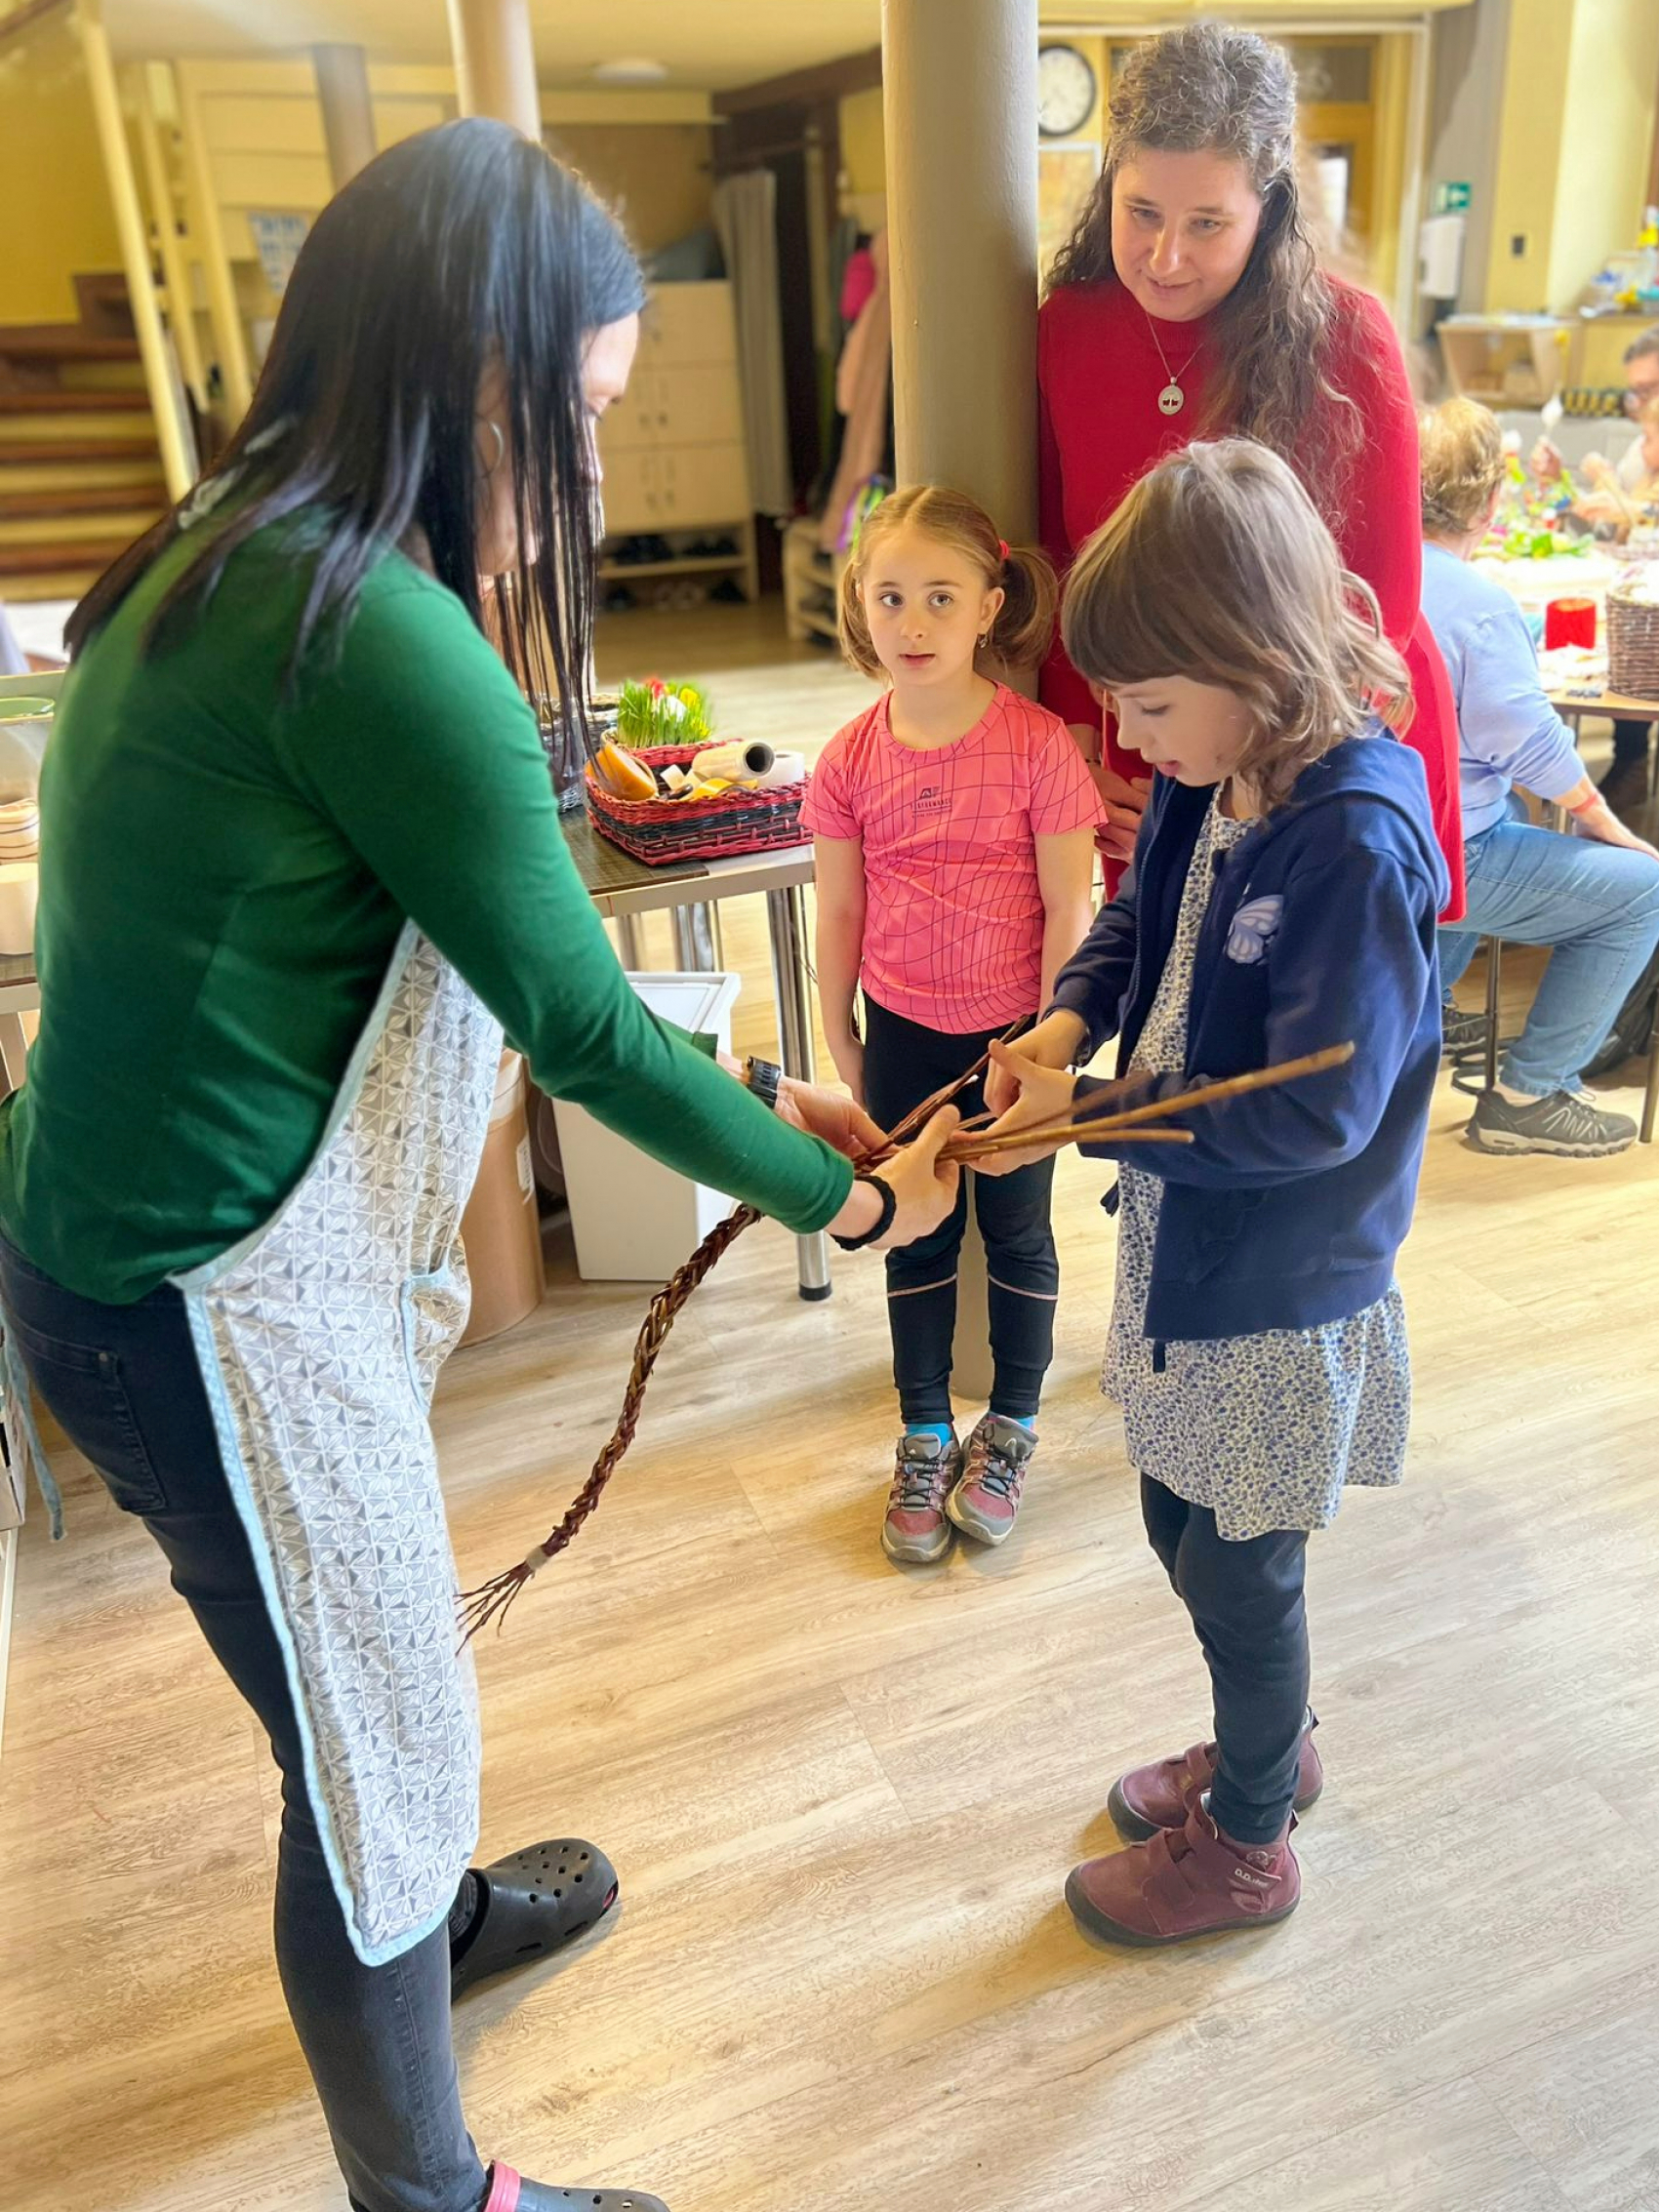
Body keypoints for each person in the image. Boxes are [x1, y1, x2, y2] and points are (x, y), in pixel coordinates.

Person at [0, 124, 959, 2212]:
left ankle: (427, 1920)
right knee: (362, 1746)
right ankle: (430, 2188)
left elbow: (502, 963)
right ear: (476, 375)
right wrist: (851, 1197)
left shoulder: (228, 545)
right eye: (582, 413)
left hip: (152, 1254)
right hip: (200, 1298)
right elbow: (581, 1023)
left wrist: (768, 1097)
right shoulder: (369, 625)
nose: (585, 463)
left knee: (361, 1684)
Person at [982, 439, 1446, 1945]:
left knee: (1239, 1570)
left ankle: (1250, 1841)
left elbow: (1319, 1105)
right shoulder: (1216, 766)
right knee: (1177, 1521)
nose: (1123, 737)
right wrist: (1066, 1020)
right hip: (1187, 1231)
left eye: (1147, 702)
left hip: (1277, 1280)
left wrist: (1093, 1116)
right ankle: (1271, 1742)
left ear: (1260, 660)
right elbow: (1140, 915)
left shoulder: (1355, 839)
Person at [1036, 20, 1464, 917]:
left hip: (1318, 741)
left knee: (1319, 984)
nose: (1166, 257)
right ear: (1110, 184)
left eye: (1207, 223)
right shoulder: (1065, 329)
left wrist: (1233, 782)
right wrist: (1076, 736)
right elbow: (1059, 560)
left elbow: (1380, 599)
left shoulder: (1347, 333)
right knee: (1160, 976)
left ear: (1266, 211)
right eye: (1142, 212)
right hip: (1147, 743)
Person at [802, 488, 1104, 1563]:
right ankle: (925, 1430)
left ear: (989, 606)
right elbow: (839, 906)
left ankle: (1011, 1425)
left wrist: (1052, 1042)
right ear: (859, 603)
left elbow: (1070, 907)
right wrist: (840, 1033)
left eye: (941, 596)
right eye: (890, 596)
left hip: (1016, 1040)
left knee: (1016, 1229)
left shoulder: (1036, 746)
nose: (914, 622)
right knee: (912, 1230)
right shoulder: (846, 758)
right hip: (899, 1033)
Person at [1420, 398, 1659, 1157]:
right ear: (1492, 502)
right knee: (1645, 890)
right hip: (1443, 851)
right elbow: (1529, 744)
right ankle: (1531, 1092)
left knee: (1514, 816)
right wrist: (1603, 819)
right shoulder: (1480, 606)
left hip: (1375, 837)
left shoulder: (1364, 575)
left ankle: (1422, 1014)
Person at [1532, 325, 1659, 812]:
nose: (1638, 403)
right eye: (1635, 391)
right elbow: (1608, 529)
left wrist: (1629, 506)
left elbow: (1632, 517)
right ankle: (1626, 761)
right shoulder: (1640, 450)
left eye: (1649, 389)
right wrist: (1560, 484)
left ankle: (1631, 762)